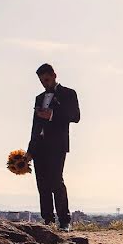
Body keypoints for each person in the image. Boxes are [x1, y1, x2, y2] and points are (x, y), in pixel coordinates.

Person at [25, 63, 80, 231]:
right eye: (42, 81)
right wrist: (30, 151)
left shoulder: (69, 93)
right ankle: (47, 221)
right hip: (39, 146)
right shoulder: (38, 98)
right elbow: (35, 126)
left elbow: (75, 116)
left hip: (57, 145)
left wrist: (52, 115)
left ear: (54, 75)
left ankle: (64, 220)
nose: (45, 83)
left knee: (56, 181)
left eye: (47, 79)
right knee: (42, 184)